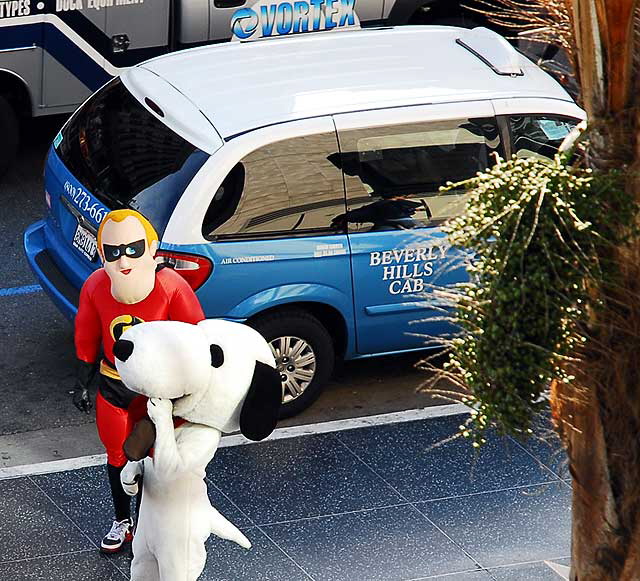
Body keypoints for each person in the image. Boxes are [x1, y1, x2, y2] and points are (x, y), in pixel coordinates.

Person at [72, 209, 204, 553]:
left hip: (158, 391)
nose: (124, 260)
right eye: (114, 252)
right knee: (117, 455)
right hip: (113, 384)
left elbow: (196, 337)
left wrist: (195, 386)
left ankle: (152, 523)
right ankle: (123, 521)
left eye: (133, 248)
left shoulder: (171, 286)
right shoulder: (96, 285)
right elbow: (86, 334)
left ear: (151, 247)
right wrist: (82, 379)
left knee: (159, 458)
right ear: (103, 255)